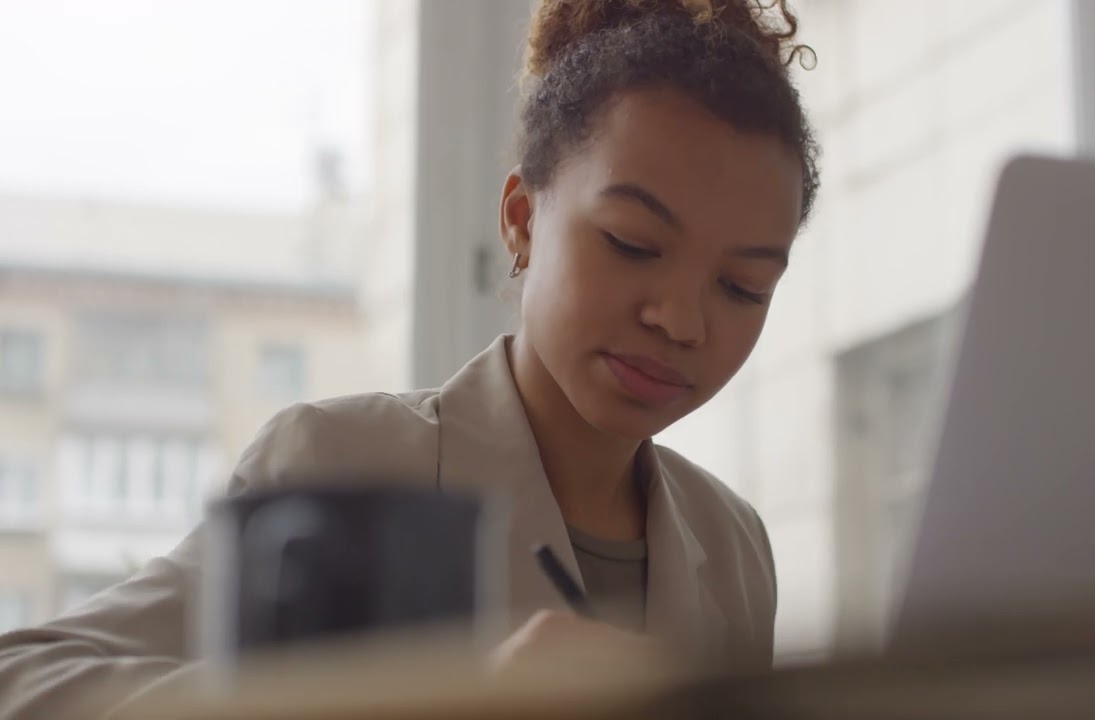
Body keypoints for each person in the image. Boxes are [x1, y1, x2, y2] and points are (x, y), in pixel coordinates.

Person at [0, 0, 820, 716]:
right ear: (521, 220)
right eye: (631, 243)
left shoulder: (733, 545)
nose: (681, 321)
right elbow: (23, 678)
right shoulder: (341, 463)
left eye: (742, 287)